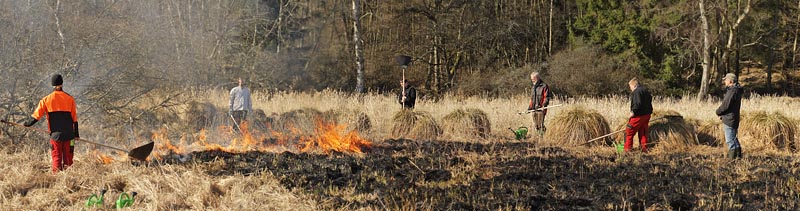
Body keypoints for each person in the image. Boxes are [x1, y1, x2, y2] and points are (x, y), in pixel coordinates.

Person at [22, 74, 79, 173]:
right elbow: (74, 119)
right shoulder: (70, 99)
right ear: (62, 84)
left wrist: (27, 124)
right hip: (69, 136)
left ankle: (57, 182)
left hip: (55, 136)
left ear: (52, 85)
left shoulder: (46, 100)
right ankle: (70, 180)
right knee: (68, 161)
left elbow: (36, 116)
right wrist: (76, 134)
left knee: (56, 159)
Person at [716, 73, 743, 159]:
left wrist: (718, 112)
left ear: (730, 81)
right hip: (734, 118)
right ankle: (738, 158)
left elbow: (725, 105)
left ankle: (732, 160)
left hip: (729, 119)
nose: (724, 81)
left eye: (726, 80)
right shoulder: (737, 90)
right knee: (734, 139)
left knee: (730, 141)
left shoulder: (732, 91)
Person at [625, 78, 653, 152]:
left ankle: (627, 150)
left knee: (629, 131)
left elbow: (637, 104)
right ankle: (644, 149)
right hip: (647, 115)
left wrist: (633, 112)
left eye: (630, 86)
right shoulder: (646, 91)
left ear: (634, 85)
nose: (630, 89)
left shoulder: (637, 92)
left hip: (638, 116)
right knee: (643, 132)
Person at [527, 72, 552, 136]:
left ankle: (543, 136)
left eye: (533, 79)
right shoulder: (533, 87)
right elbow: (532, 99)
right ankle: (539, 136)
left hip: (541, 109)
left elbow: (546, 97)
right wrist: (529, 108)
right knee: (536, 125)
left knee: (540, 124)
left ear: (537, 78)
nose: (532, 80)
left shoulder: (544, 86)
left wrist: (544, 105)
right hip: (534, 109)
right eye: (531, 79)